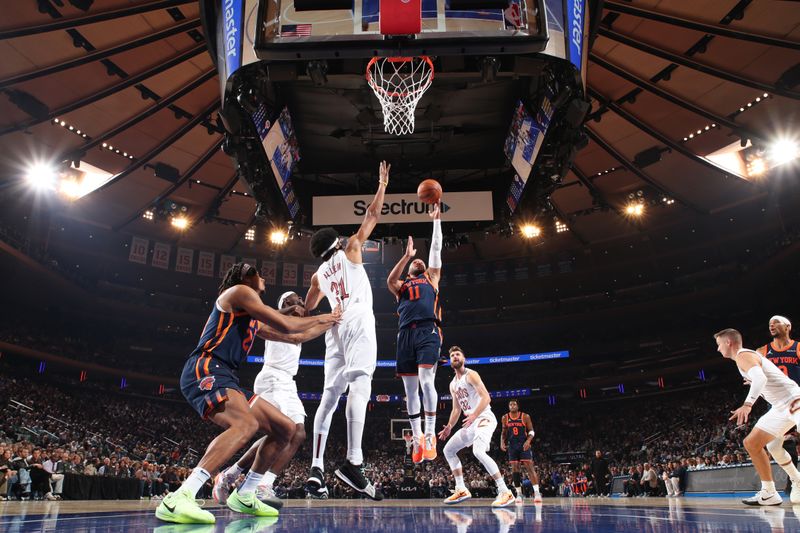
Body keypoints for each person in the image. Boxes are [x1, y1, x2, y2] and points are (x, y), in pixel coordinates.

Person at [155, 263, 341, 524]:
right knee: (246, 424)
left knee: (285, 429)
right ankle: (180, 496)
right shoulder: (239, 291)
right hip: (206, 367)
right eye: (260, 275)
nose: (264, 278)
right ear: (248, 277)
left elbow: (293, 337)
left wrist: (334, 321)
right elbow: (288, 325)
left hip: (227, 375)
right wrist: (327, 317)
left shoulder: (251, 317)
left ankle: (246, 493)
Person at [303, 160, 390, 500]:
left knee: (329, 397)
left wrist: (305, 304)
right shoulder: (351, 248)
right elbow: (371, 215)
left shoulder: (317, 276)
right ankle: (354, 461)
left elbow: (310, 307)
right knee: (361, 384)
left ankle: (316, 467)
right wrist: (382, 184)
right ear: (338, 242)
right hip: (356, 320)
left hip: (333, 328)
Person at [213, 291, 329, 504]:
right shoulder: (275, 319)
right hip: (272, 378)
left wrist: (334, 318)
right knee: (282, 430)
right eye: (298, 299)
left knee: (299, 433)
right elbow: (262, 317)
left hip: (288, 383)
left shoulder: (298, 323)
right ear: (286, 302)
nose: (303, 302)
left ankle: (260, 482)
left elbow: (309, 331)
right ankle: (238, 479)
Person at [386, 202, 443, 464]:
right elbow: (389, 280)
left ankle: (430, 435)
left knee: (426, 381)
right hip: (404, 335)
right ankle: (419, 438)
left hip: (427, 330)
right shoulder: (402, 285)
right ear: (410, 270)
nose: (420, 261)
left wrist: (436, 221)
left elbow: (436, 249)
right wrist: (407, 256)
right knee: (410, 392)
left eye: (419, 260)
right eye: (415, 262)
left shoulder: (432, 277)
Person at [716, 328, 800, 505]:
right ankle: (771, 491)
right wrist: (753, 380)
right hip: (780, 407)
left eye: (719, 345)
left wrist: (747, 405)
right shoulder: (746, 358)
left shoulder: (742, 355)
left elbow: (760, 379)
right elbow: (761, 377)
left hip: (794, 399)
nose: (718, 349)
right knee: (753, 443)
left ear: (728, 342)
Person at [437, 345, 515, 508]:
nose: (455, 357)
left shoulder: (471, 375)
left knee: (478, 451)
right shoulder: (453, 384)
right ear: (450, 361)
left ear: (463, 358)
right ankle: (461, 488)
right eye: (452, 356)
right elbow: (456, 409)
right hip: (472, 423)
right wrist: (450, 426)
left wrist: (473, 415)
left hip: (483, 417)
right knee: (448, 450)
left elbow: (486, 397)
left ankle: (505, 492)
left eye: (458, 354)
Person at [499, 400, 541, 503]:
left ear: (518, 406)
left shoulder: (525, 416)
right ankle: (519, 494)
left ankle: (537, 493)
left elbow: (531, 431)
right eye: (510, 404)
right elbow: (503, 432)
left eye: (514, 404)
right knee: (515, 469)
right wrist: (502, 442)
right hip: (512, 446)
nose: (512, 406)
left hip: (523, 444)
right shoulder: (505, 417)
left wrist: (528, 440)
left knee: (529, 467)